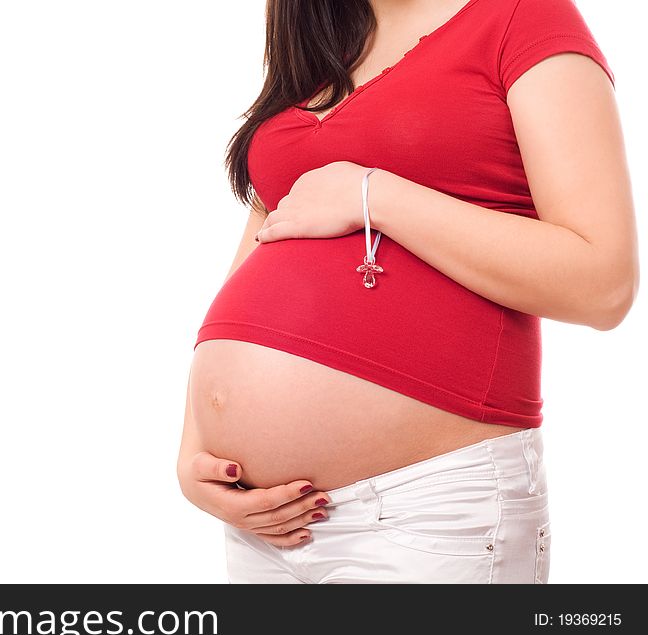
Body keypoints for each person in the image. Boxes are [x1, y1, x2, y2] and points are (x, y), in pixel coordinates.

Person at [177, 0, 638, 583]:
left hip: (429, 509)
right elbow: (261, 251)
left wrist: (375, 195)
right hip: (263, 527)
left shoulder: (523, 17)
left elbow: (604, 283)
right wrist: (196, 448)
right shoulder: (320, 41)